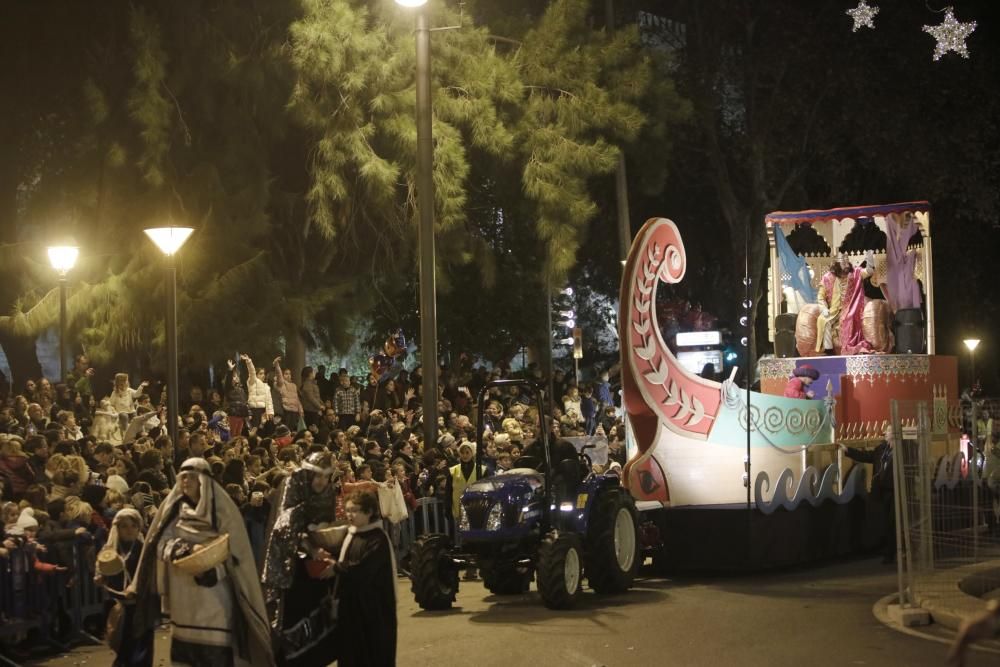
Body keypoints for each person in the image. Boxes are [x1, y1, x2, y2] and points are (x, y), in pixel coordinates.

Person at [130, 458, 275, 667]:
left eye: (191, 477)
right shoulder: (172, 508)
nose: (186, 481)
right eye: (182, 477)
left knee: (215, 652)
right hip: (182, 594)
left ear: (203, 480)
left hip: (216, 592)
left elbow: (236, 551)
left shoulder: (223, 509)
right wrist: (185, 550)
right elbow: (158, 542)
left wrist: (212, 566)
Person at [261, 452, 339, 666]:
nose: (322, 481)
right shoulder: (293, 486)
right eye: (318, 475)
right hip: (290, 566)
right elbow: (285, 527)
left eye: (326, 476)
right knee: (293, 615)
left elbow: (326, 524)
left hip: (316, 565)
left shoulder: (327, 493)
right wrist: (310, 548)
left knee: (319, 613)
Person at [329, 491, 397, 667]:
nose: (350, 515)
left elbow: (364, 570)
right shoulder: (351, 535)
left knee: (372, 655)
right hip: (351, 608)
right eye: (348, 510)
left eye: (355, 510)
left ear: (369, 512)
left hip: (373, 611)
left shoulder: (378, 538)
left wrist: (336, 568)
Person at [97, 508, 153, 667]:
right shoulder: (111, 550)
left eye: (133, 526)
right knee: (121, 642)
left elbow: (149, 575)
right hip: (119, 606)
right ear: (117, 528)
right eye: (124, 526)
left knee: (140, 645)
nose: (129, 530)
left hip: (140, 606)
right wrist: (101, 577)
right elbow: (103, 570)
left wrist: (137, 588)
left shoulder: (143, 549)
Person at [837, 439, 895, 563]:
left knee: (893, 522)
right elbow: (866, 456)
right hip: (881, 491)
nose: (886, 433)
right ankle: (888, 550)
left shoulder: (901, 450)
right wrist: (848, 450)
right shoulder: (881, 449)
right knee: (885, 521)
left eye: (889, 431)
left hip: (895, 491)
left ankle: (892, 552)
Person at [815, 252, 875, 355]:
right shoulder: (827, 278)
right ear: (837, 265)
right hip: (834, 311)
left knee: (849, 319)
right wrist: (824, 308)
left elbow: (868, 272)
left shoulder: (855, 273)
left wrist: (870, 263)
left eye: (847, 263)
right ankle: (828, 350)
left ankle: (849, 346)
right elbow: (820, 297)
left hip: (850, 309)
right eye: (843, 264)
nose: (846, 266)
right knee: (823, 320)